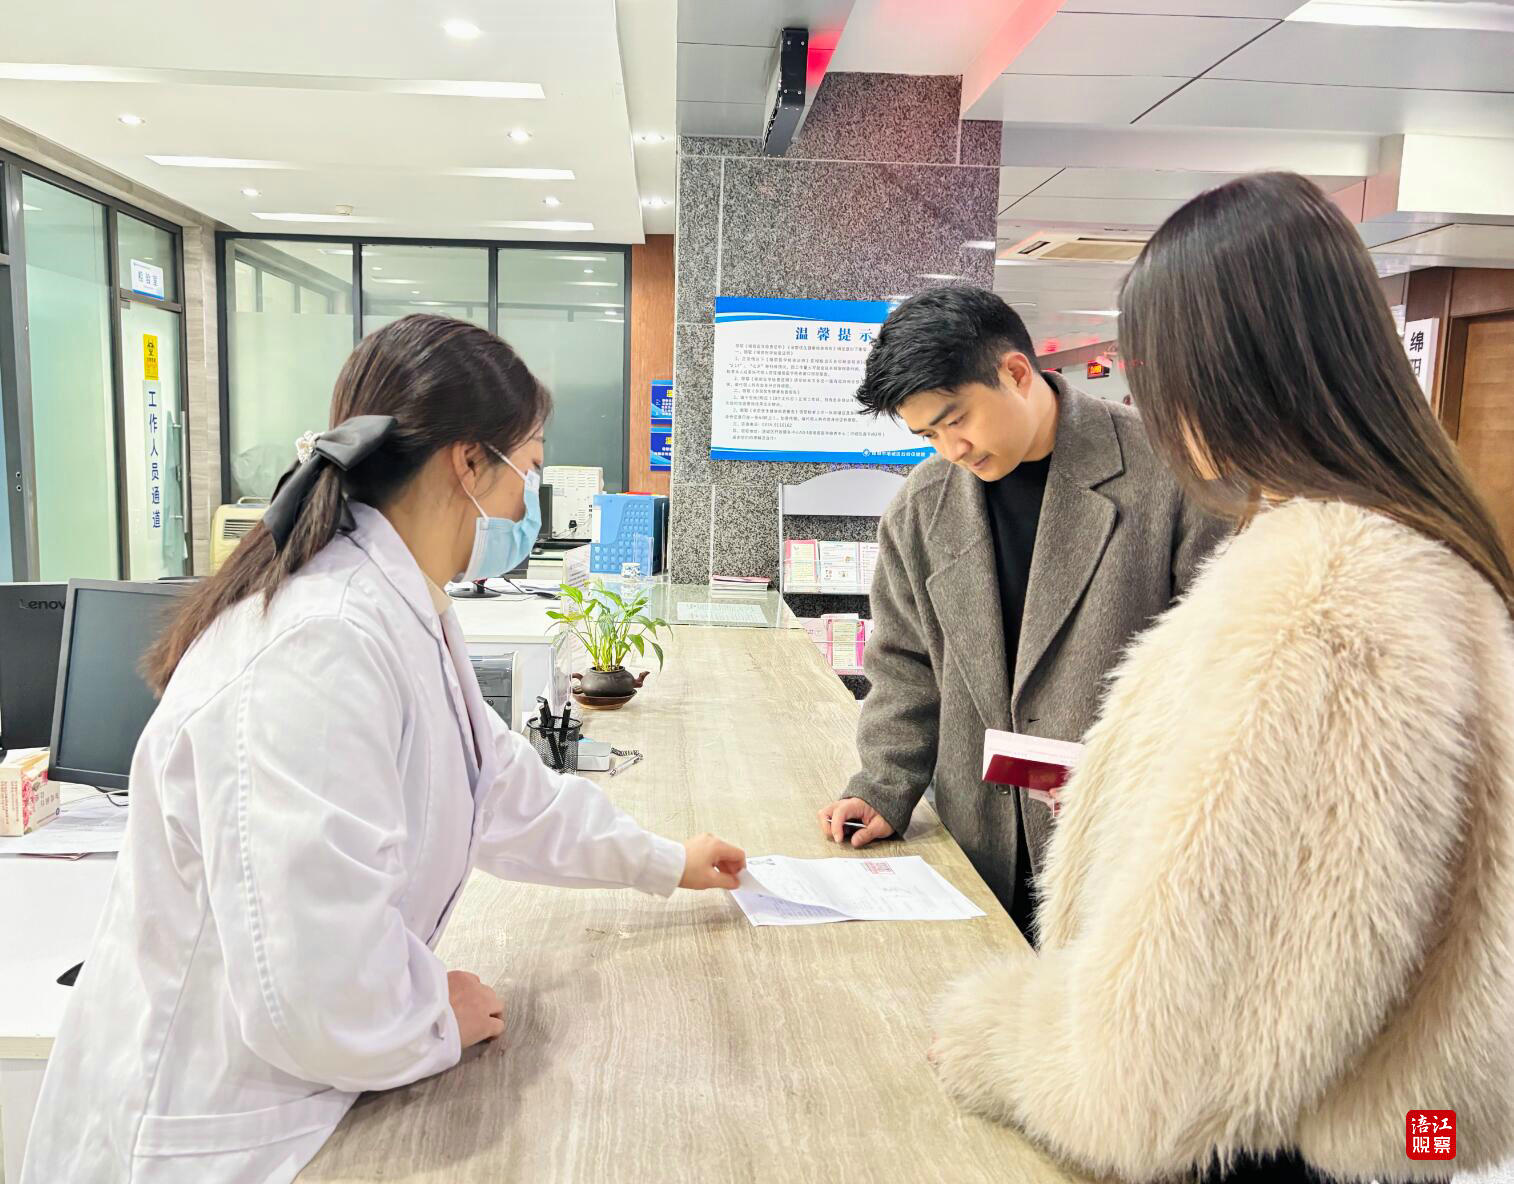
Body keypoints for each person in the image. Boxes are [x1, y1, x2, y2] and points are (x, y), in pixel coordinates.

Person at [21, 315, 746, 1184]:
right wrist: (434, 1014)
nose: (528, 506)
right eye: (531, 468)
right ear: (468, 462)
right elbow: (312, 989)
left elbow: (499, 788)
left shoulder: (398, 604)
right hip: (209, 1132)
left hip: (294, 1098)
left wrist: (665, 862)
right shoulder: (320, 642)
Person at [930, 173, 1514, 1182]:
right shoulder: (1414, 557)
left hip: (1263, 1142)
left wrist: (1000, 1042)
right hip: (1370, 1113)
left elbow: (1157, 1059)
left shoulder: (1316, 598)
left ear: (1227, 373)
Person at [817, 286, 1225, 935]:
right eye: (928, 435)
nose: (951, 448)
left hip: (1122, 840)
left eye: (956, 419)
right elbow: (905, 665)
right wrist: (884, 784)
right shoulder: (923, 506)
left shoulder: (1168, 473)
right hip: (977, 835)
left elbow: (1219, 665)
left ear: (1014, 372)